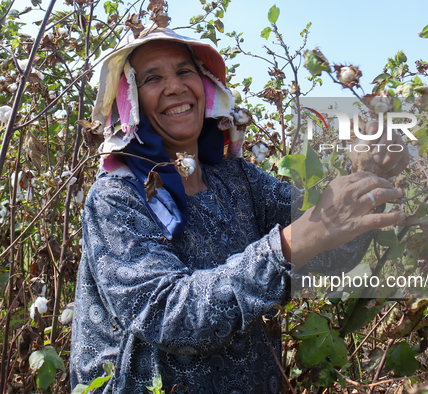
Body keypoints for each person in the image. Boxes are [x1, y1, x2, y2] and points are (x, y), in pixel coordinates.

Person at [70, 27, 408, 393]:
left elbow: (330, 245)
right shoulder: (117, 198)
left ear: (206, 87)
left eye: (185, 72)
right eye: (153, 78)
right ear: (130, 100)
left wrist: (370, 173)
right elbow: (167, 316)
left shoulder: (235, 178)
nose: (175, 87)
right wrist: (288, 245)